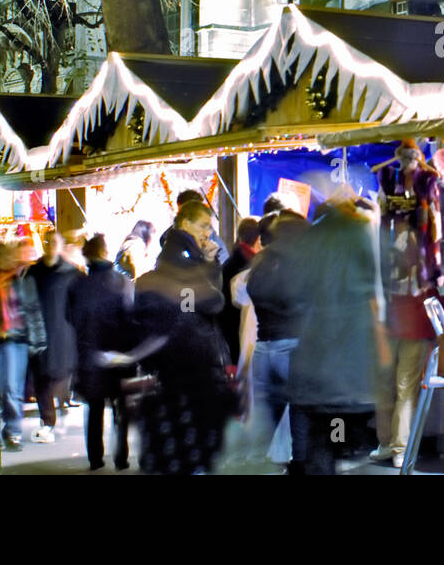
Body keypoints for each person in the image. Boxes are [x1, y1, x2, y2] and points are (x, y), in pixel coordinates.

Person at [131, 199, 234, 474]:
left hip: (181, 357)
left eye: (209, 228)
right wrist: (209, 267)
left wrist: (209, 263)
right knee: (194, 437)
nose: (207, 233)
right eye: (203, 226)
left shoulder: (182, 253)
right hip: (190, 357)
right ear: (185, 222)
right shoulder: (181, 254)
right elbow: (212, 301)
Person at [287, 195, 385, 475]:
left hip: (316, 357)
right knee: (334, 429)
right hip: (342, 364)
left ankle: (324, 460)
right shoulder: (356, 240)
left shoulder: (311, 242)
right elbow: (370, 297)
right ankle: (331, 457)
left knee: (325, 431)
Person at [244, 210, 310, 467]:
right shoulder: (299, 262)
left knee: (265, 418)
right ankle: (300, 466)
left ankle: (255, 466)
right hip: (291, 345)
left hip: (263, 348)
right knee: (300, 413)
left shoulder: (261, 261)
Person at [66, 234, 133, 471]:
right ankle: (121, 457)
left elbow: (69, 317)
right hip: (117, 354)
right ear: (106, 252)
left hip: (89, 355)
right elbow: (130, 319)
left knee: (94, 410)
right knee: (120, 409)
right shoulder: (122, 282)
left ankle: (95, 457)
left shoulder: (77, 285)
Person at [0, 238, 47, 450]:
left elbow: (33, 311)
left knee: (12, 387)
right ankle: (1, 429)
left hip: (16, 340)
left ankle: (12, 431)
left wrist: (39, 341)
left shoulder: (21, 281)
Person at [29, 229, 81, 442]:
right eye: (47, 242)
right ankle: (48, 419)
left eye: (54, 242)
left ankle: (60, 404)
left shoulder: (72, 273)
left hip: (63, 330)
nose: (50, 245)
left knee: (60, 371)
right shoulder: (33, 273)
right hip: (40, 330)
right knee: (42, 375)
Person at [221, 217, 261, 366]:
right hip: (241, 334)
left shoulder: (230, 262)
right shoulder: (250, 266)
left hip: (231, 333)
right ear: (258, 239)